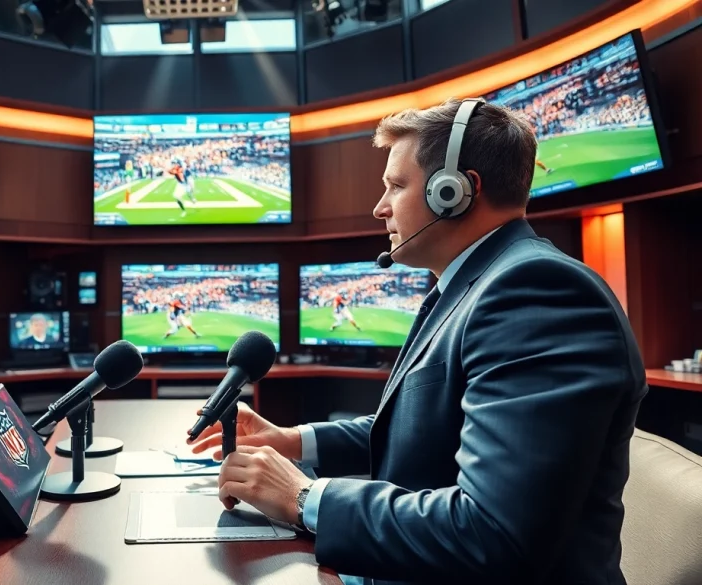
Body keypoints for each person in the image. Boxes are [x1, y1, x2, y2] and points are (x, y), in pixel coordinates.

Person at [188, 98, 646, 585]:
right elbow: (424, 425)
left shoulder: (537, 292)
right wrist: (291, 440)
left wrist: (303, 497)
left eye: (396, 185)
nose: (379, 206)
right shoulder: (477, 283)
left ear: (456, 191)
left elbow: (493, 534)